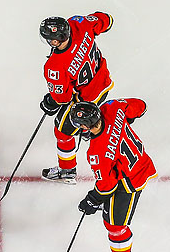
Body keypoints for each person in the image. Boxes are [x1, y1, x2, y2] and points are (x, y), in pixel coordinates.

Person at [71, 99, 157, 252]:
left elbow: (107, 185)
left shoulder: (97, 152)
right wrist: (127, 119)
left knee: (115, 226)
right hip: (139, 162)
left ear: (86, 128)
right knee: (111, 214)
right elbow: (140, 105)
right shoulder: (112, 107)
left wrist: (92, 200)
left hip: (129, 181)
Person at [38, 12, 114, 184]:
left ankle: (67, 171)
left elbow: (62, 98)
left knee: (62, 131)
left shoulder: (55, 66)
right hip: (103, 81)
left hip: (86, 99)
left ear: (55, 41)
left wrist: (50, 102)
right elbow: (106, 20)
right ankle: (86, 129)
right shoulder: (78, 23)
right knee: (78, 123)